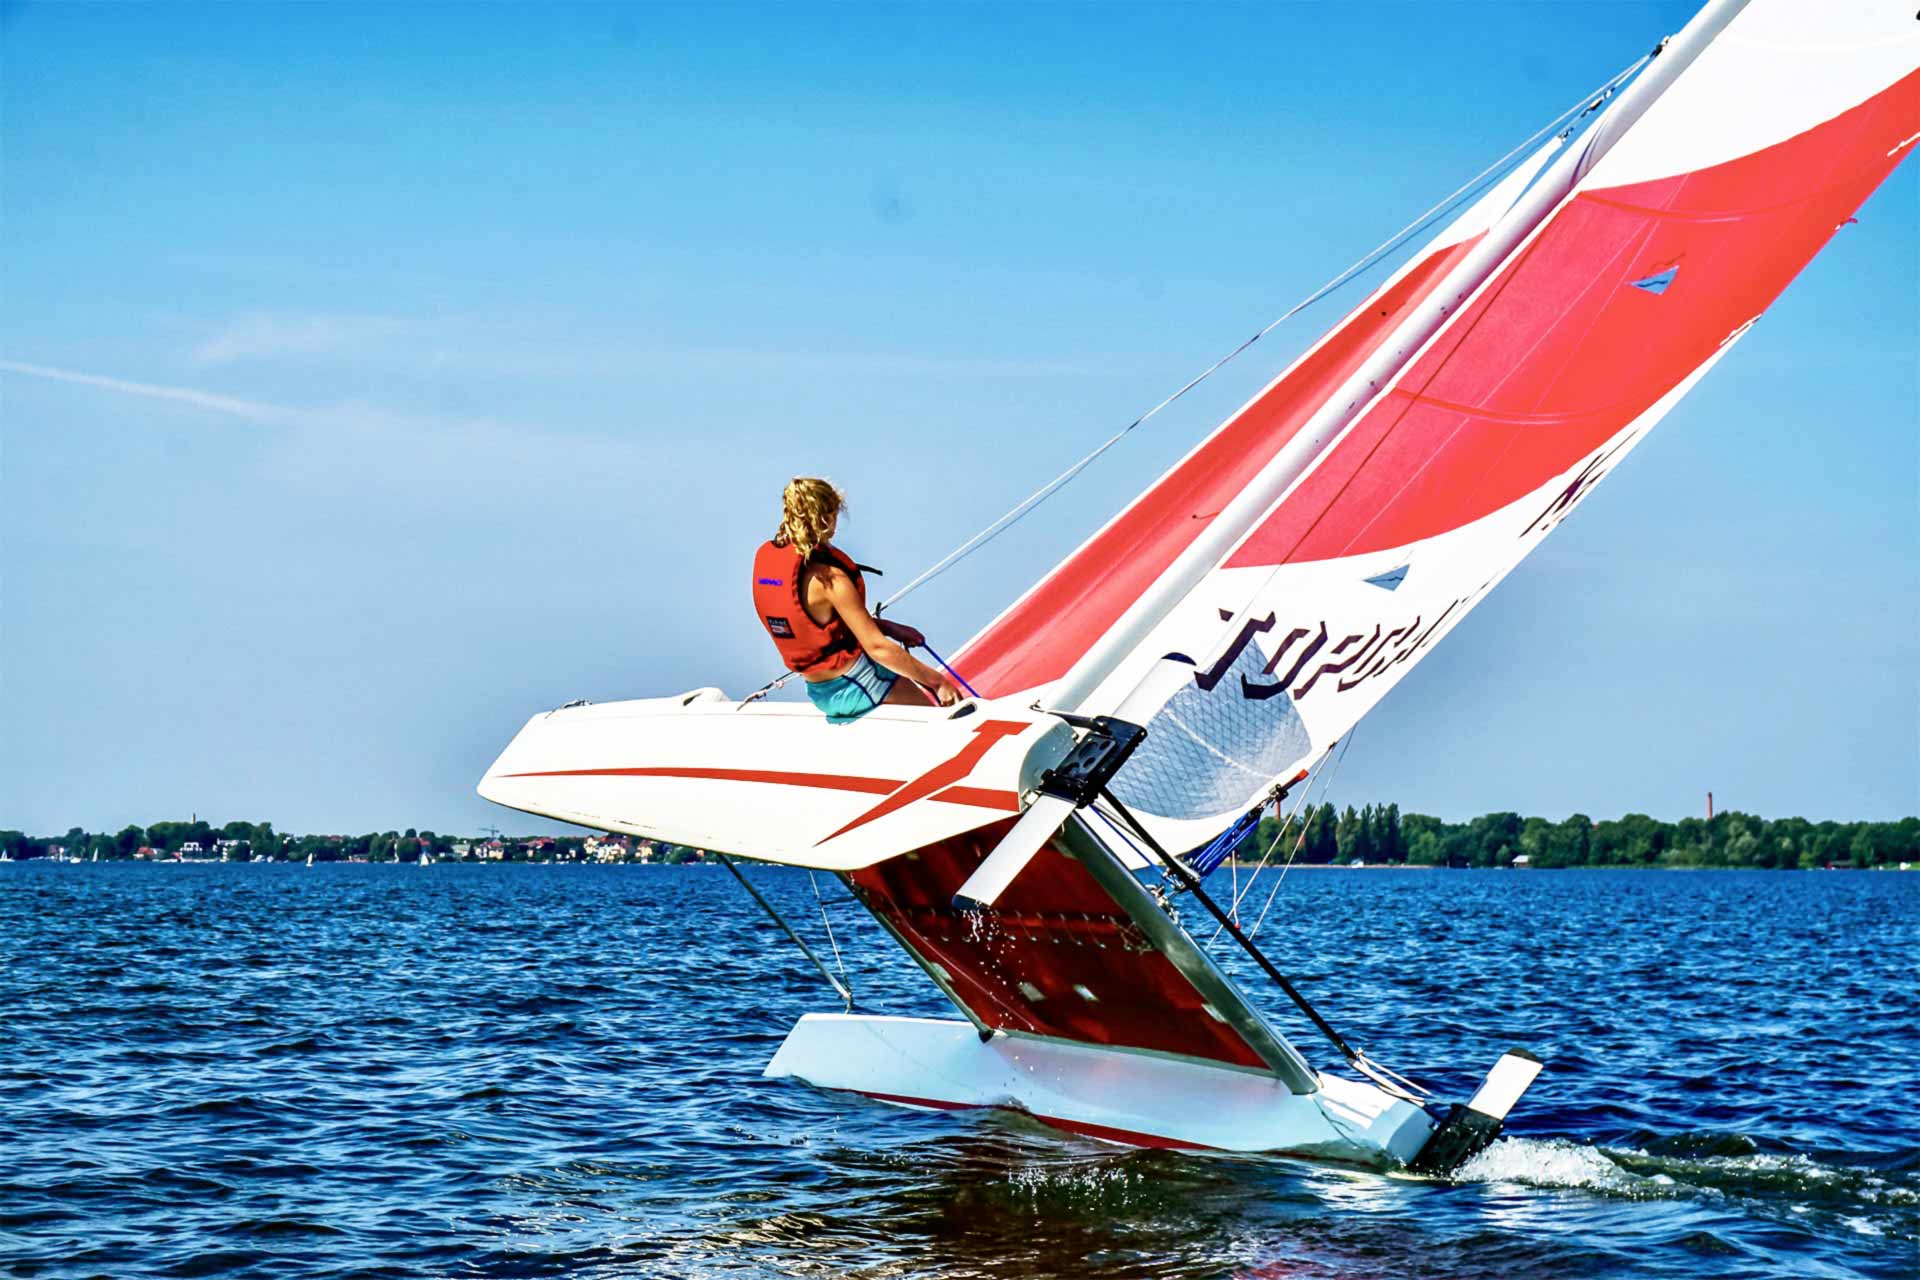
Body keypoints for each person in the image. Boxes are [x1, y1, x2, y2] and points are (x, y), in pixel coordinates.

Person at [751, 477, 962, 722]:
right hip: (856, 683)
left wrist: (888, 627)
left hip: (821, 692)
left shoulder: (769, 565)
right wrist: (938, 683)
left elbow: (818, 623)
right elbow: (878, 648)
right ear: (827, 518)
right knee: (940, 723)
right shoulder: (831, 580)